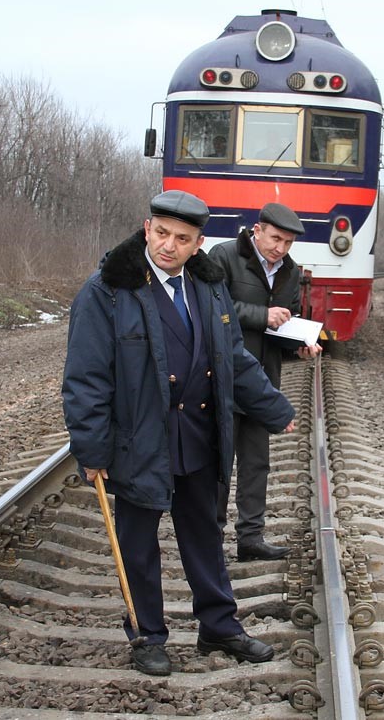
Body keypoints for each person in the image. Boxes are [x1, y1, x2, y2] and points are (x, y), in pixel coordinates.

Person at [61, 189, 297, 677]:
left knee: (204, 534)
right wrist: (91, 448)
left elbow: (232, 357)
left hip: (198, 435)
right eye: (162, 233)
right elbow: (86, 379)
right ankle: (147, 634)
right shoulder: (107, 290)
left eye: (182, 239)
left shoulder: (208, 288)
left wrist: (273, 407)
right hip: (138, 439)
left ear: (197, 244)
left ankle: (219, 626)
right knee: (138, 541)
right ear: (147, 229)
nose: (169, 245)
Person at [210, 202, 322, 561]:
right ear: (257, 230)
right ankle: (210, 539)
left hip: (262, 381)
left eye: (288, 243)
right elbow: (211, 309)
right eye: (276, 239)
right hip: (222, 377)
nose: (280, 248)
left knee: (257, 461)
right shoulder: (224, 256)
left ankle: (250, 539)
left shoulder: (289, 272)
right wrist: (263, 315)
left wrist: (299, 346)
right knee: (217, 462)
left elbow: (282, 325)